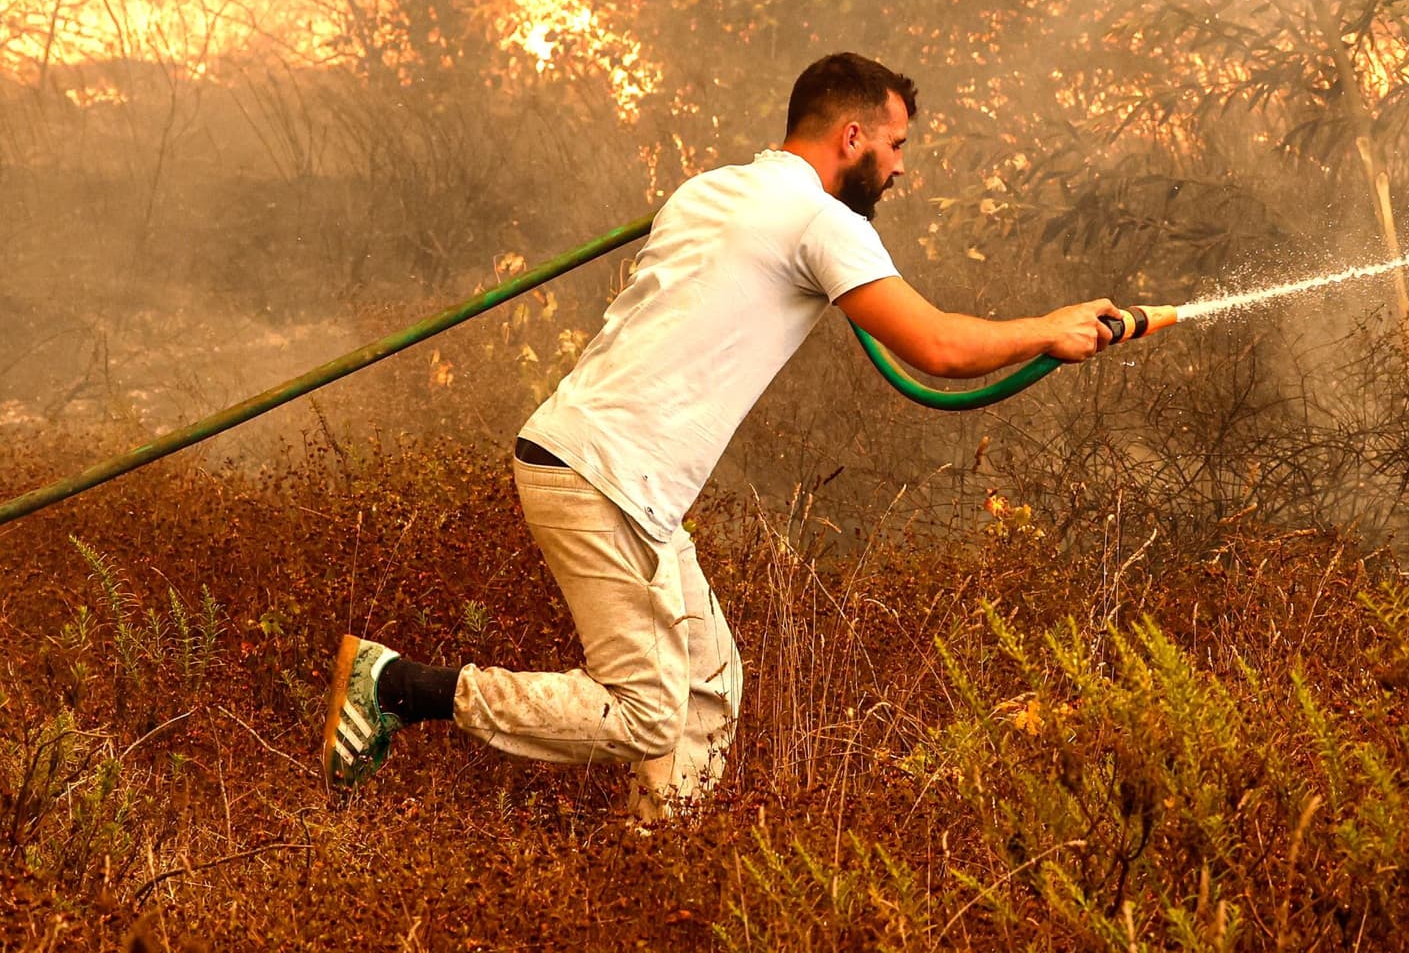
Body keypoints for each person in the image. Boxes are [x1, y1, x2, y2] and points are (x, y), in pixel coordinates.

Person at [320, 52, 1120, 815]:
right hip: (608, 476)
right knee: (645, 716)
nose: (901, 167)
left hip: (598, 467)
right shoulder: (819, 222)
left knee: (707, 687)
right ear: (853, 137)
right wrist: (1050, 329)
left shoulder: (710, 191)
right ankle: (399, 688)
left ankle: (658, 865)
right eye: (896, 144)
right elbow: (938, 349)